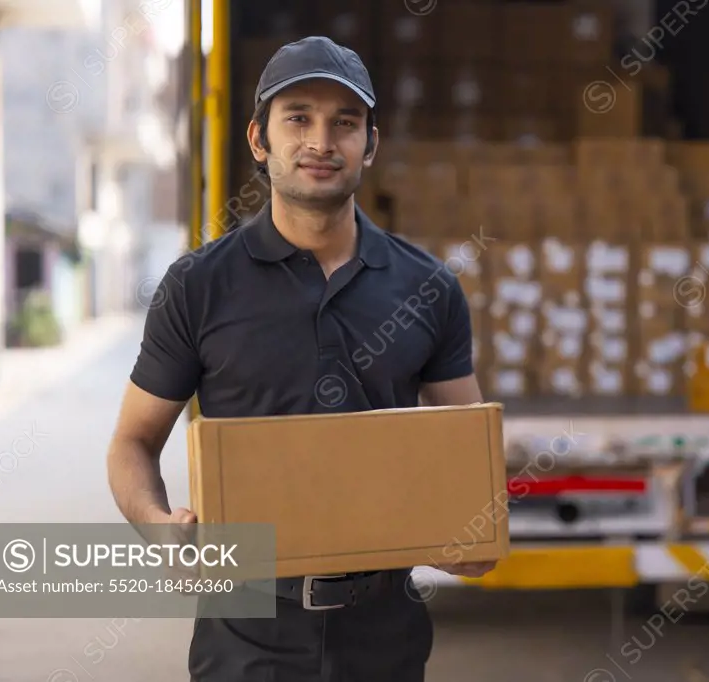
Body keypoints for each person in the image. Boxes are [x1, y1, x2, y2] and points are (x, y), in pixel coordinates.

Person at [105, 36, 496, 681]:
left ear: (370, 144)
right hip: (245, 628)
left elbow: (468, 446)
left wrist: (472, 530)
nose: (322, 140)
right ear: (259, 139)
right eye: (299, 118)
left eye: (346, 122)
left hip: (385, 631)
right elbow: (132, 442)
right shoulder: (198, 287)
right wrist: (158, 528)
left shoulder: (429, 287)